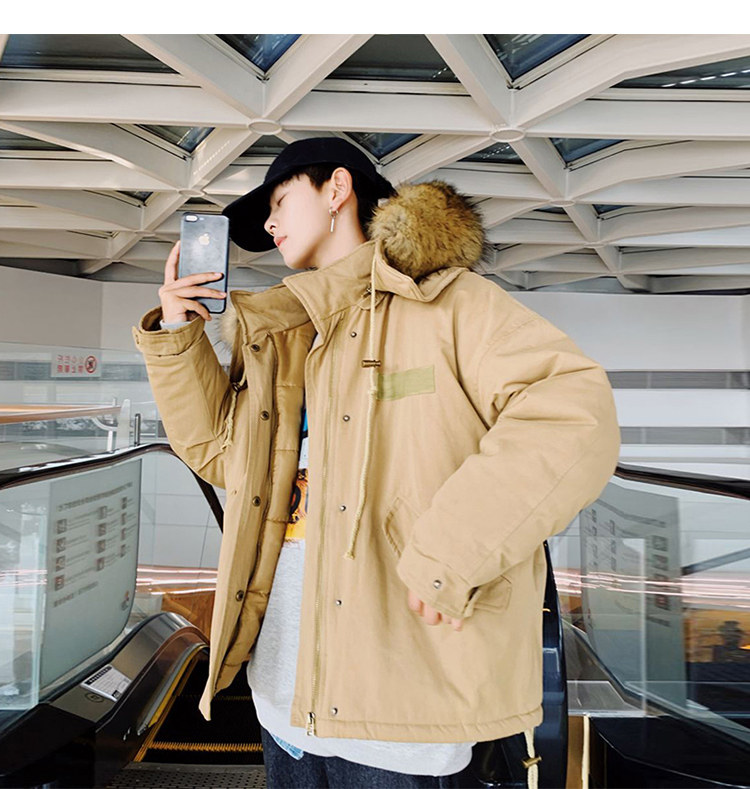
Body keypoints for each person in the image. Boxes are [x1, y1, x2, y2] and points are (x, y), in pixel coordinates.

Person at [132, 136, 621, 788]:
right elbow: (220, 456)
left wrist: (453, 551)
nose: (270, 224)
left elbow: (573, 416)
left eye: (280, 201)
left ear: (337, 189)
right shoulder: (284, 337)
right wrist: (178, 334)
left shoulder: (450, 304)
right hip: (282, 699)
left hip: (402, 718)